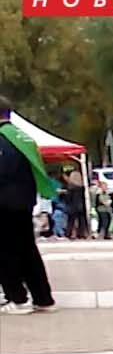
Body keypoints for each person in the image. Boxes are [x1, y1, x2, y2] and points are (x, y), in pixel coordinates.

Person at [0, 97, 58, 314]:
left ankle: (17, 298)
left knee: (5, 253)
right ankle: (43, 298)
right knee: (27, 251)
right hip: (23, 201)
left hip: (4, 204)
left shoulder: (2, 139)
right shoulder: (22, 138)